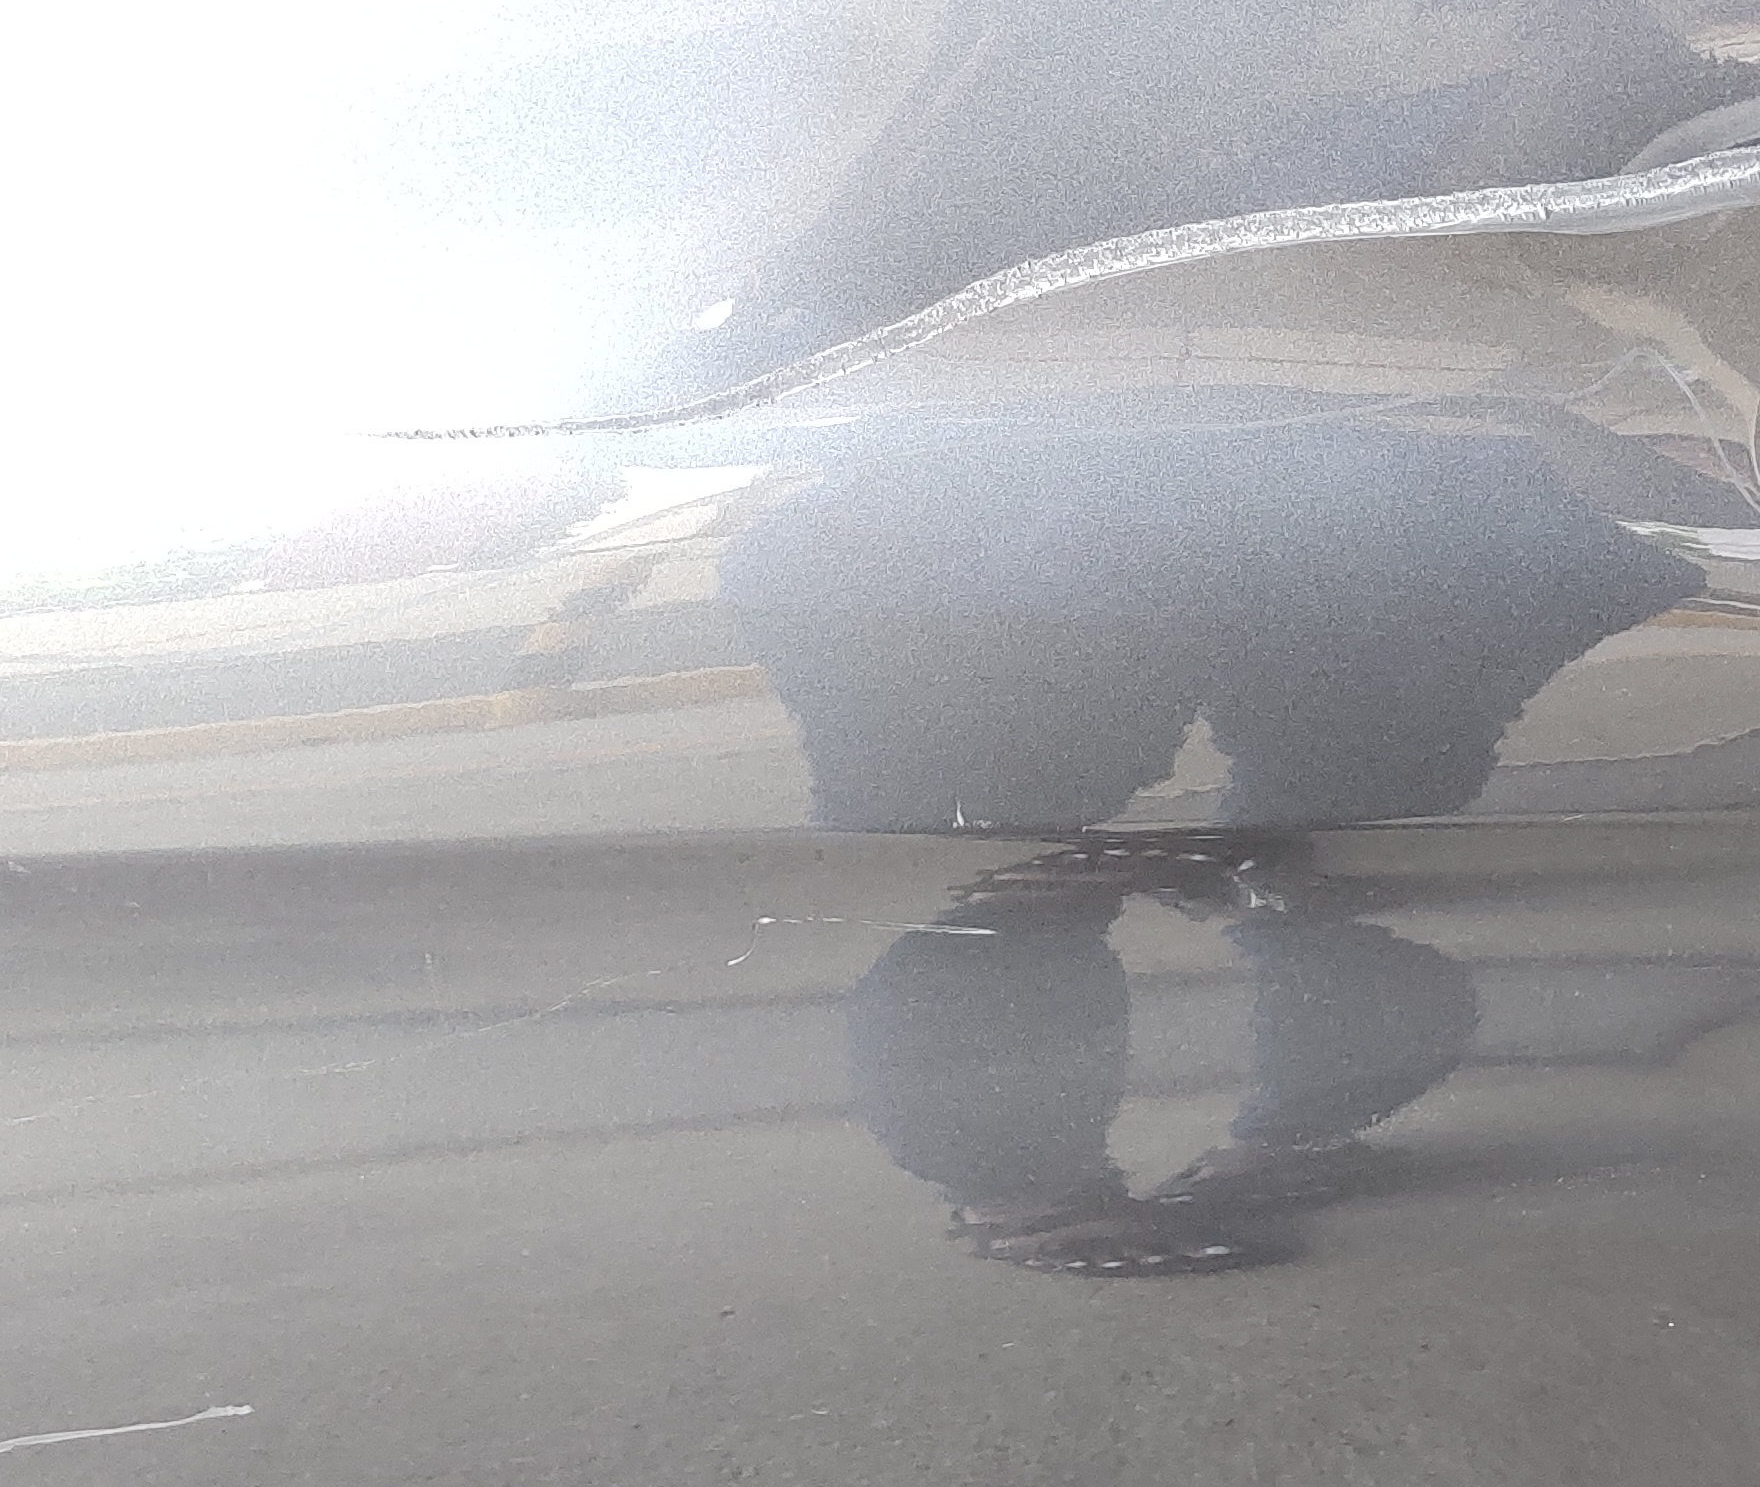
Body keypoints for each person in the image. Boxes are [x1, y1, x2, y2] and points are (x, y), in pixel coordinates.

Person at [722, 401, 1703, 1272]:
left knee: (1316, 827)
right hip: (1033, 516)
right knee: (1017, 867)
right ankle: (1030, 1193)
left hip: (1335, 509)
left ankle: (1280, 1131)